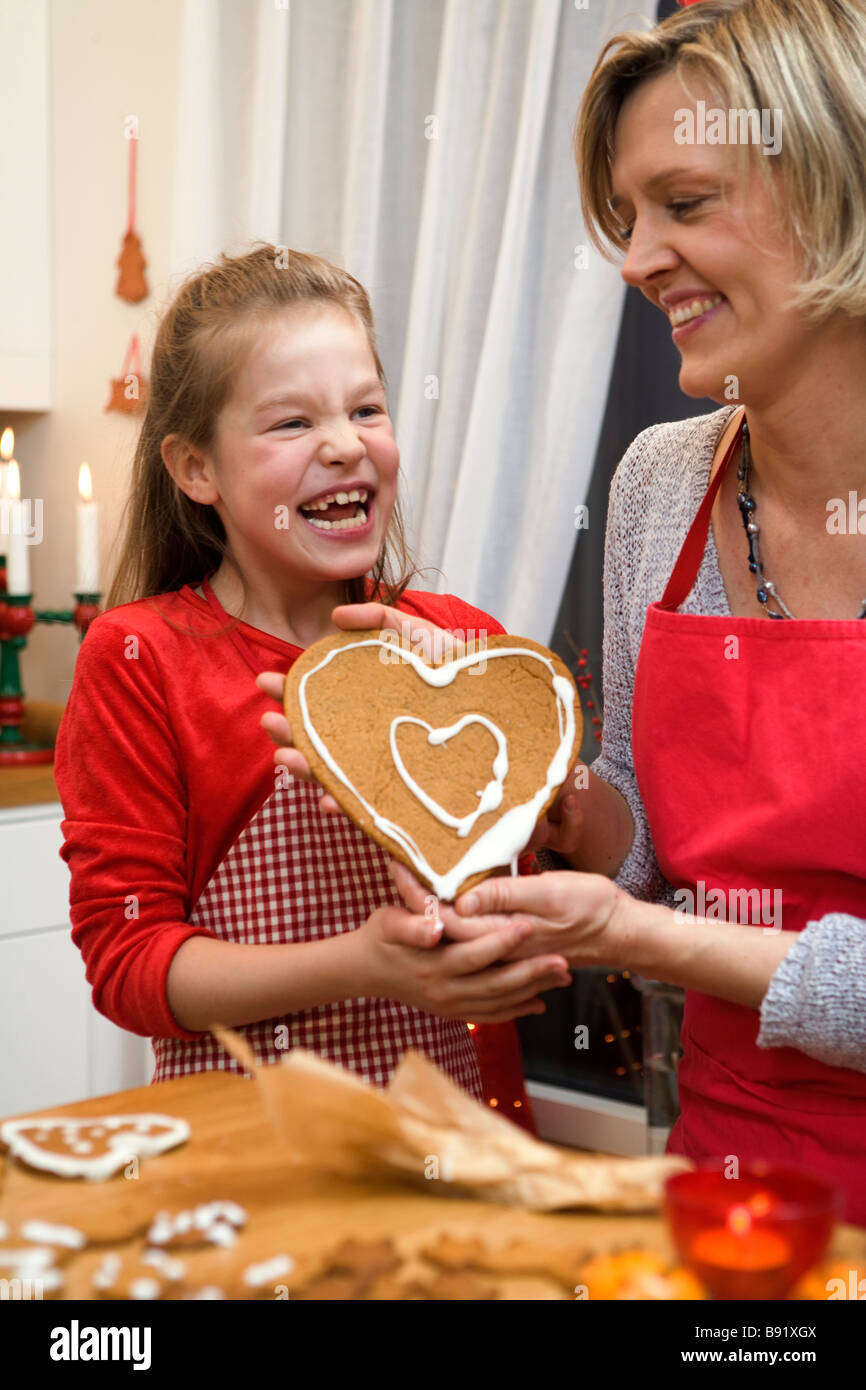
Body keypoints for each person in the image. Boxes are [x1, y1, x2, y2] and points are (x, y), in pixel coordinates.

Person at [293, 0, 866, 1223]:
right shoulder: (660, 482)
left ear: (834, 182)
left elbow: (656, 926)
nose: (634, 258)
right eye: (625, 216)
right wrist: (522, 766)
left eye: (685, 202)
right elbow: (646, 844)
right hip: (726, 1183)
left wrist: (645, 941)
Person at [54, 244, 572, 1099]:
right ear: (196, 469)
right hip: (253, 1163)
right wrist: (363, 965)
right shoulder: (141, 660)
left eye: (366, 409)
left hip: (468, 1155)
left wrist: (546, 811)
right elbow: (131, 964)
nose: (343, 445)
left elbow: (573, 873)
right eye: (292, 423)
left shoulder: (461, 640)